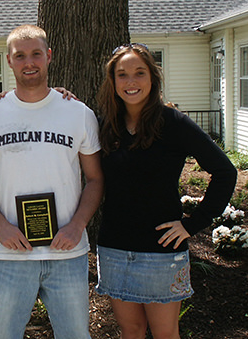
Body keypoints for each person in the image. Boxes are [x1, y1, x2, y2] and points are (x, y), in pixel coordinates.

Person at [0, 24, 104, 339]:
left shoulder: (78, 113)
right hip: (9, 255)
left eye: (36, 54)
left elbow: (95, 178)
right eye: (20, 56)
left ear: (49, 56)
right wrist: (0, 225)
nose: (29, 62)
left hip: (67, 253)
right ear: (9, 61)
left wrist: (78, 225)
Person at [95, 43, 237, 339]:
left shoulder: (174, 123)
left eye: (139, 73)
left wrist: (191, 224)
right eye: (122, 75)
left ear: (152, 78)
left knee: (165, 333)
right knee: (131, 330)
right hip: (114, 249)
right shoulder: (105, 124)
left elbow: (225, 172)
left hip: (161, 251)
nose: (130, 82)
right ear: (113, 81)